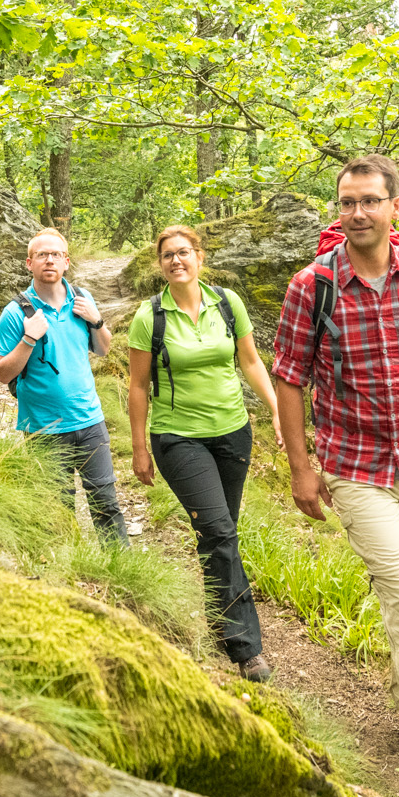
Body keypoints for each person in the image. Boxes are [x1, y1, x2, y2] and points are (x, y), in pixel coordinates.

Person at [269, 154, 399, 797]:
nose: (356, 212)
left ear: (396, 205)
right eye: (346, 201)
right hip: (355, 467)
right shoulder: (314, 286)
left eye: (368, 200)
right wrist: (301, 467)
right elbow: (289, 377)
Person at [124, 225, 283, 682]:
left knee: (219, 533)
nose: (176, 261)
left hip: (233, 432)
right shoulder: (148, 317)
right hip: (177, 436)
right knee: (218, 531)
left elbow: (250, 361)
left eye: (184, 252)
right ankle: (246, 648)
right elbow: (137, 386)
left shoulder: (227, 303)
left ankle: (220, 619)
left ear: (199, 256)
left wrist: (276, 412)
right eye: (168, 255)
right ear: (160, 265)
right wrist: (139, 447)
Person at [0, 228, 126, 542]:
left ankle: (122, 575)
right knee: (55, 511)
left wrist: (97, 321)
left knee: (106, 504)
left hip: (90, 420)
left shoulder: (82, 299)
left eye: (55, 255)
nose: (48, 260)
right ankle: (63, 577)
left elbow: (104, 349)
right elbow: (1, 373)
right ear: (29, 264)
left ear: (66, 262)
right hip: (43, 428)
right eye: (41, 255)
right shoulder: (15, 313)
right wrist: (28, 338)